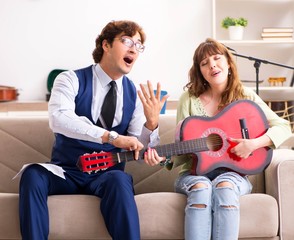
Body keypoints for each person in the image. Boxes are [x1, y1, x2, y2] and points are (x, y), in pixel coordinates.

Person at [18, 20, 168, 240]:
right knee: (32, 175)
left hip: (106, 176)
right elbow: (59, 118)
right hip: (66, 171)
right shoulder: (70, 79)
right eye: (127, 41)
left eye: (138, 45)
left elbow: (139, 147)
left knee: (120, 180)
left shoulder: (134, 95)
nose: (134, 48)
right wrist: (111, 137)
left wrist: (152, 124)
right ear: (106, 45)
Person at [146, 38, 292, 240]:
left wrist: (253, 144)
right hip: (194, 173)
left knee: (225, 187)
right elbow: (181, 152)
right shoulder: (188, 99)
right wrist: (165, 159)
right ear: (200, 72)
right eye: (204, 63)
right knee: (202, 188)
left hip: (234, 174)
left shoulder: (245, 95)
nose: (212, 65)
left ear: (229, 63)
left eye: (216, 58)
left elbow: (284, 126)